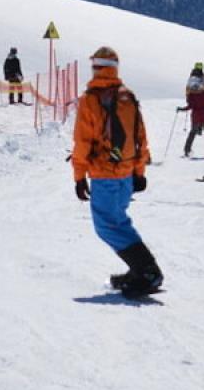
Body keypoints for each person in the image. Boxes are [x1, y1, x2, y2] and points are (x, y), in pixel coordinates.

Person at [70, 46, 163, 296]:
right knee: (119, 221)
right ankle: (139, 269)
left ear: (97, 68)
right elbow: (140, 137)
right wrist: (139, 171)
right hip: (126, 174)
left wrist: (79, 176)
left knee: (107, 226)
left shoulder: (91, 99)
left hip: (105, 174)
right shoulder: (126, 96)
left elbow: (83, 141)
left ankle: (148, 271)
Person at [179, 62, 204, 158]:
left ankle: (187, 150)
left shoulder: (191, 83)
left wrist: (188, 99)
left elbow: (188, 91)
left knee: (193, 132)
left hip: (195, 115)